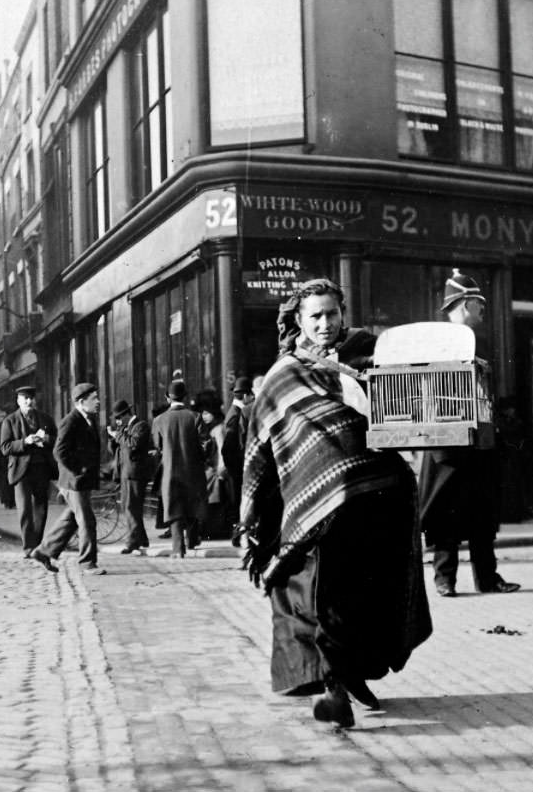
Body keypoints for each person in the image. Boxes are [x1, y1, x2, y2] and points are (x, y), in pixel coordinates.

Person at [240, 278, 432, 729]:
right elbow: (264, 445)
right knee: (318, 596)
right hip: (319, 509)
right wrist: (257, 512)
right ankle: (335, 686)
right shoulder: (284, 374)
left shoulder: (371, 355)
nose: (325, 324)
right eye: (316, 316)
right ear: (299, 321)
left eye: (332, 314)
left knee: (367, 593)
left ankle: (347, 680)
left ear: (343, 313)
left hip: (377, 495)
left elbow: (414, 396)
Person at [417, 270, 520, 597]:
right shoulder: (436, 340)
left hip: (480, 441)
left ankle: (487, 579)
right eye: (479, 304)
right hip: (446, 442)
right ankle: (444, 580)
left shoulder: (479, 340)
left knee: (483, 514)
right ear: (464, 304)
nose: (483, 310)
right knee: (445, 515)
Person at [31, 383, 106, 575]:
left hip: (80, 480)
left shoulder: (87, 419)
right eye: (94, 398)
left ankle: (43, 551)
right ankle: (87, 563)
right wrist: (79, 469)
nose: (98, 402)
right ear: (81, 402)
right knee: (87, 521)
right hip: (74, 482)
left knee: (72, 518)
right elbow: (59, 451)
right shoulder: (71, 421)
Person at [151, 379, 209, 557]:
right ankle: (192, 541)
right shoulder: (195, 417)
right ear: (185, 396)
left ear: (167, 397)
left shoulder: (159, 420)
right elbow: (206, 444)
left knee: (175, 507)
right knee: (192, 505)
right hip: (193, 471)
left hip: (170, 471)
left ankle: (178, 548)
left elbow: (158, 447)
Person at [0, 385, 58, 555]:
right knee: (25, 509)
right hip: (21, 470)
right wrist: (25, 442)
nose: (29, 401)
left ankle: (37, 546)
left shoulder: (46, 419)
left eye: (31, 398)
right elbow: (5, 447)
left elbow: (57, 440)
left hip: (42, 468)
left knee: (41, 508)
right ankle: (28, 546)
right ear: (18, 401)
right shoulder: (10, 421)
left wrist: (45, 439)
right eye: (25, 398)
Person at [106, 398, 154, 554]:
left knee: (131, 507)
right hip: (125, 473)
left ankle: (132, 542)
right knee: (130, 506)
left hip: (135, 473)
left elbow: (133, 445)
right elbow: (117, 451)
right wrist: (113, 438)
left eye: (119, 418)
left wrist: (118, 435)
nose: (118, 421)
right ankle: (142, 539)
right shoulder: (125, 429)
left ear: (127, 414)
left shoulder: (141, 426)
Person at [221, 376, 254, 545]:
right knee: (238, 502)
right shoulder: (236, 414)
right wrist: (236, 468)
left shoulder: (235, 412)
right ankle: (238, 535)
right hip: (237, 468)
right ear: (247, 395)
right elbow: (228, 447)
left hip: (236, 468)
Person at [194, 389, 229, 540]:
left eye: (207, 413)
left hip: (216, 472)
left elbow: (222, 451)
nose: (204, 416)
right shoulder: (215, 428)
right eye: (202, 413)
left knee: (214, 502)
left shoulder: (218, 429)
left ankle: (215, 530)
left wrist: (221, 470)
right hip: (212, 471)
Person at [495, 397, 533, 523]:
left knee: (516, 486)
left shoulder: (514, 422)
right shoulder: (501, 422)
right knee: (509, 486)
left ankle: (517, 511)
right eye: (510, 409)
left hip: (514, 457)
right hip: (506, 458)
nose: (512, 411)